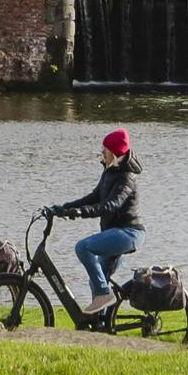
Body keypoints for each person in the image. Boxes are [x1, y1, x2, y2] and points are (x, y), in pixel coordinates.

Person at [46, 126, 143, 300]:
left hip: (128, 233)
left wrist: (81, 212)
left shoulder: (126, 176)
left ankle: (104, 294)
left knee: (83, 247)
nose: (102, 152)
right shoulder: (110, 172)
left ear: (113, 152)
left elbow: (110, 205)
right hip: (114, 233)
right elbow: (94, 197)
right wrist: (65, 208)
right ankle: (102, 324)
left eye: (105, 148)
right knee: (97, 280)